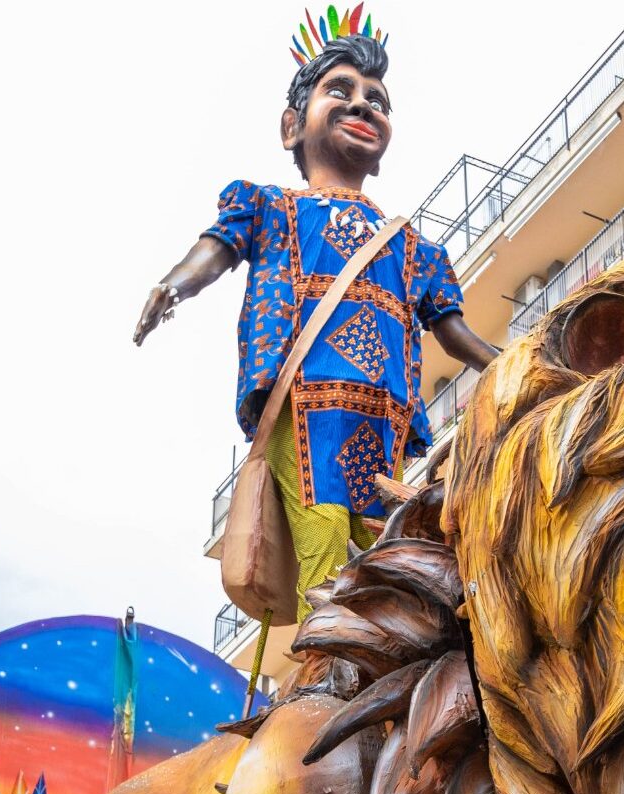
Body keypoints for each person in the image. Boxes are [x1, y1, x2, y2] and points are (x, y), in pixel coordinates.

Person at [133, 8, 496, 621]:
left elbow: (454, 332)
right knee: (326, 543)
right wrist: (174, 285)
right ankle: (327, 677)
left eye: (376, 99)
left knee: (398, 552)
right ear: (290, 127)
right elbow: (215, 249)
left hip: (385, 425)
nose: (362, 106)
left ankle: (378, 666)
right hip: (307, 411)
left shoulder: (413, 247)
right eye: (340, 91)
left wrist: (515, 362)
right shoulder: (268, 206)